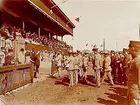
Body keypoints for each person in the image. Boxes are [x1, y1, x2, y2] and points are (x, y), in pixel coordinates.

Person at [127, 41, 140, 105]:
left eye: (129, 47)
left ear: (133, 48)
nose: (128, 49)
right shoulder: (135, 60)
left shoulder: (138, 60)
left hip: (136, 94)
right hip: (133, 92)